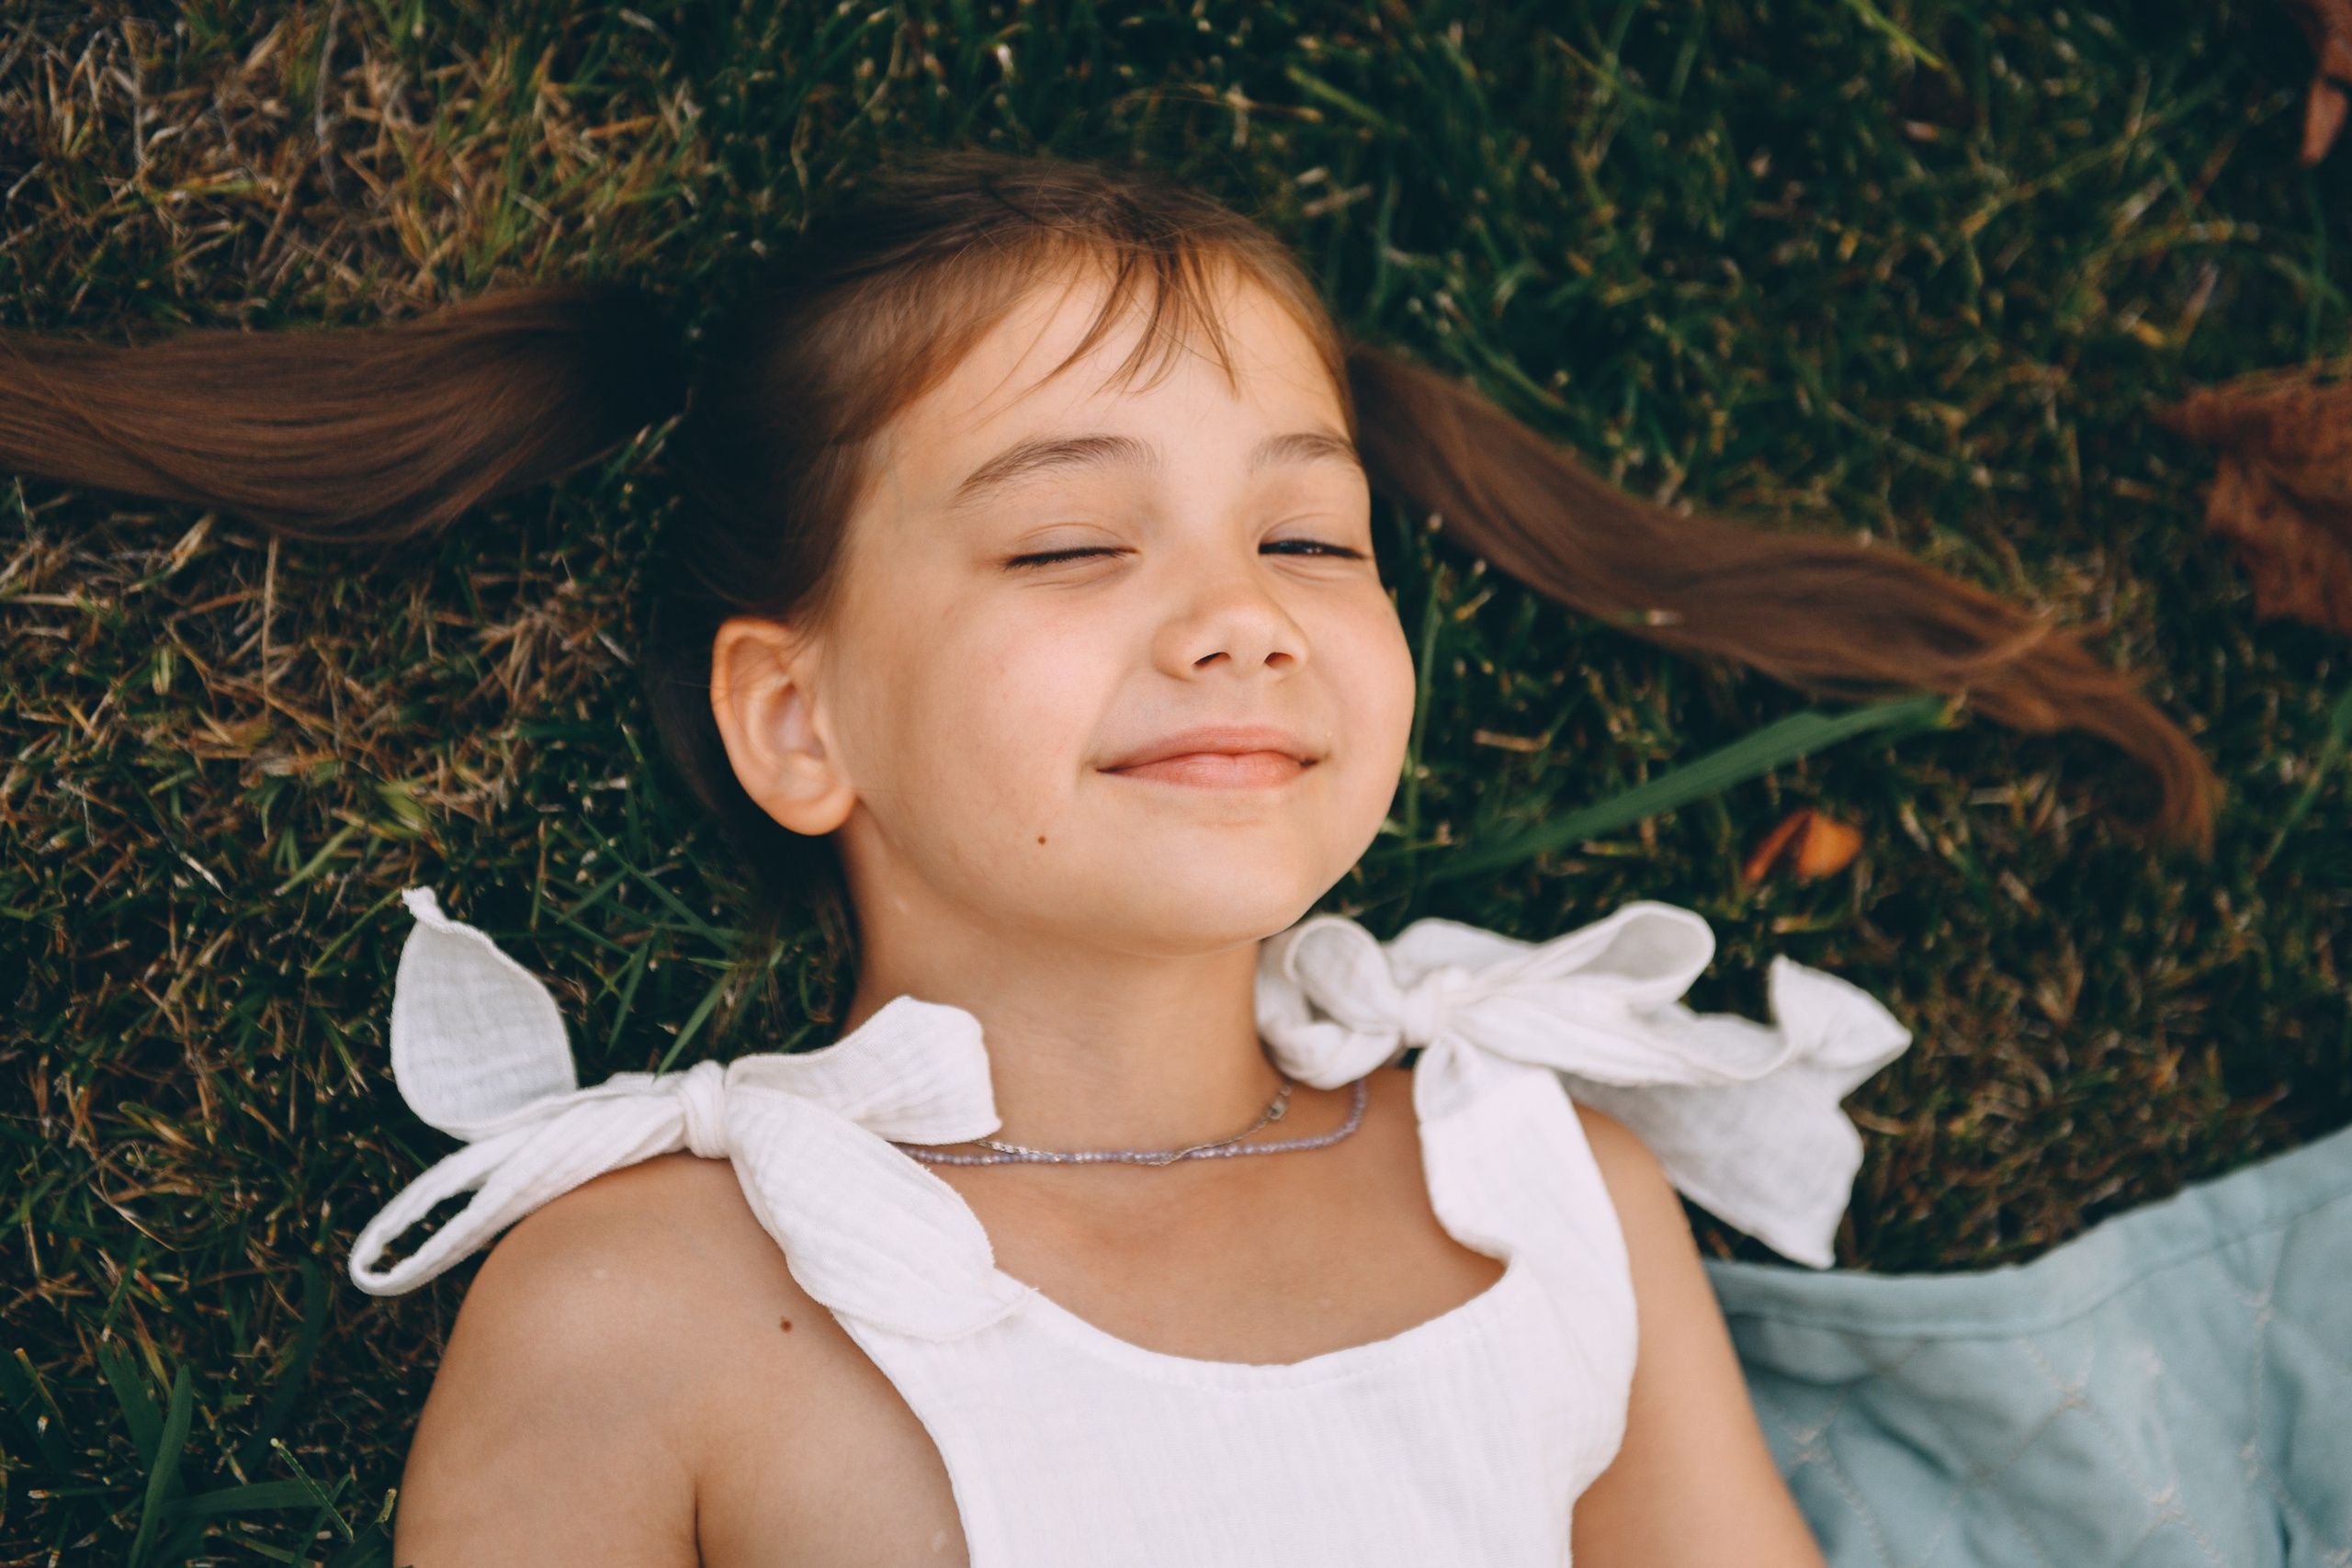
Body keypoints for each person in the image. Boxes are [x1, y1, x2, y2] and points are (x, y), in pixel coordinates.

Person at [0, 156, 2212, 1568]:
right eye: (1069, 537)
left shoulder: (1544, 1190)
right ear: (802, 715)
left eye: (1307, 536)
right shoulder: (651, 1303)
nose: (1239, 607)